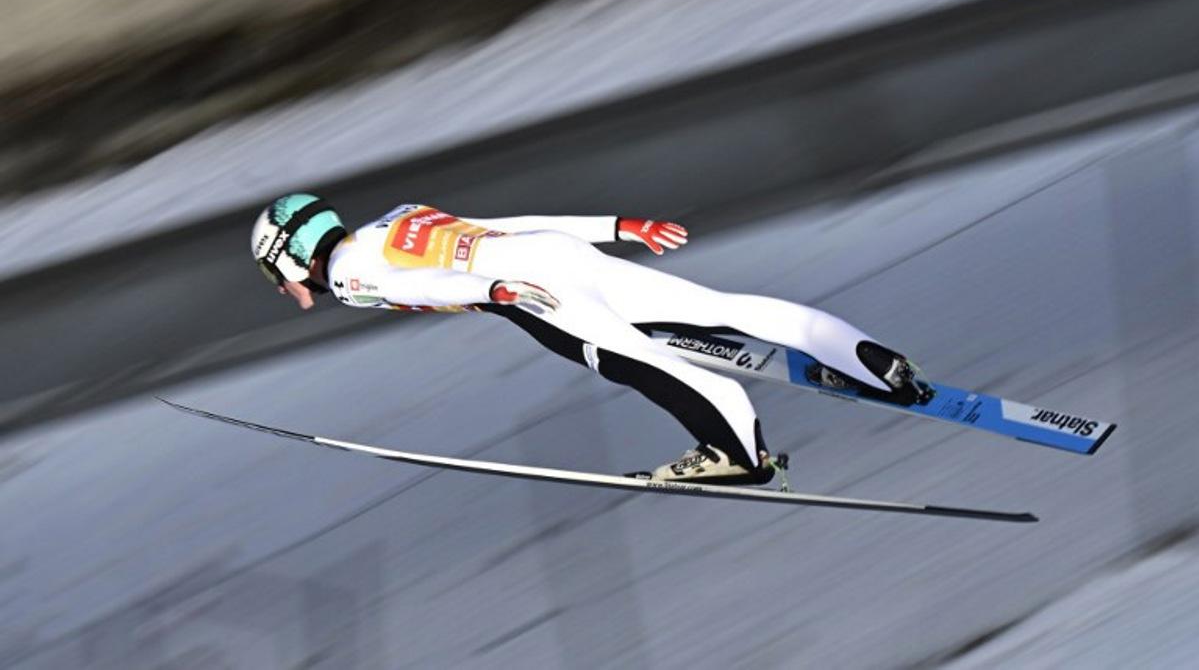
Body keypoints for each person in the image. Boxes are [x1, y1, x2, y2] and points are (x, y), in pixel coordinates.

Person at [251, 193, 928, 485]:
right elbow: (506, 224)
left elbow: (434, 287)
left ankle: (738, 453)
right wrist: (614, 224)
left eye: (272, 272)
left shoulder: (347, 275)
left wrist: (495, 294)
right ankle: (878, 365)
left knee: (638, 361)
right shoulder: (397, 220)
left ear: (289, 254)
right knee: (722, 308)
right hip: (556, 255)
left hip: (530, 289)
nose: (279, 285)